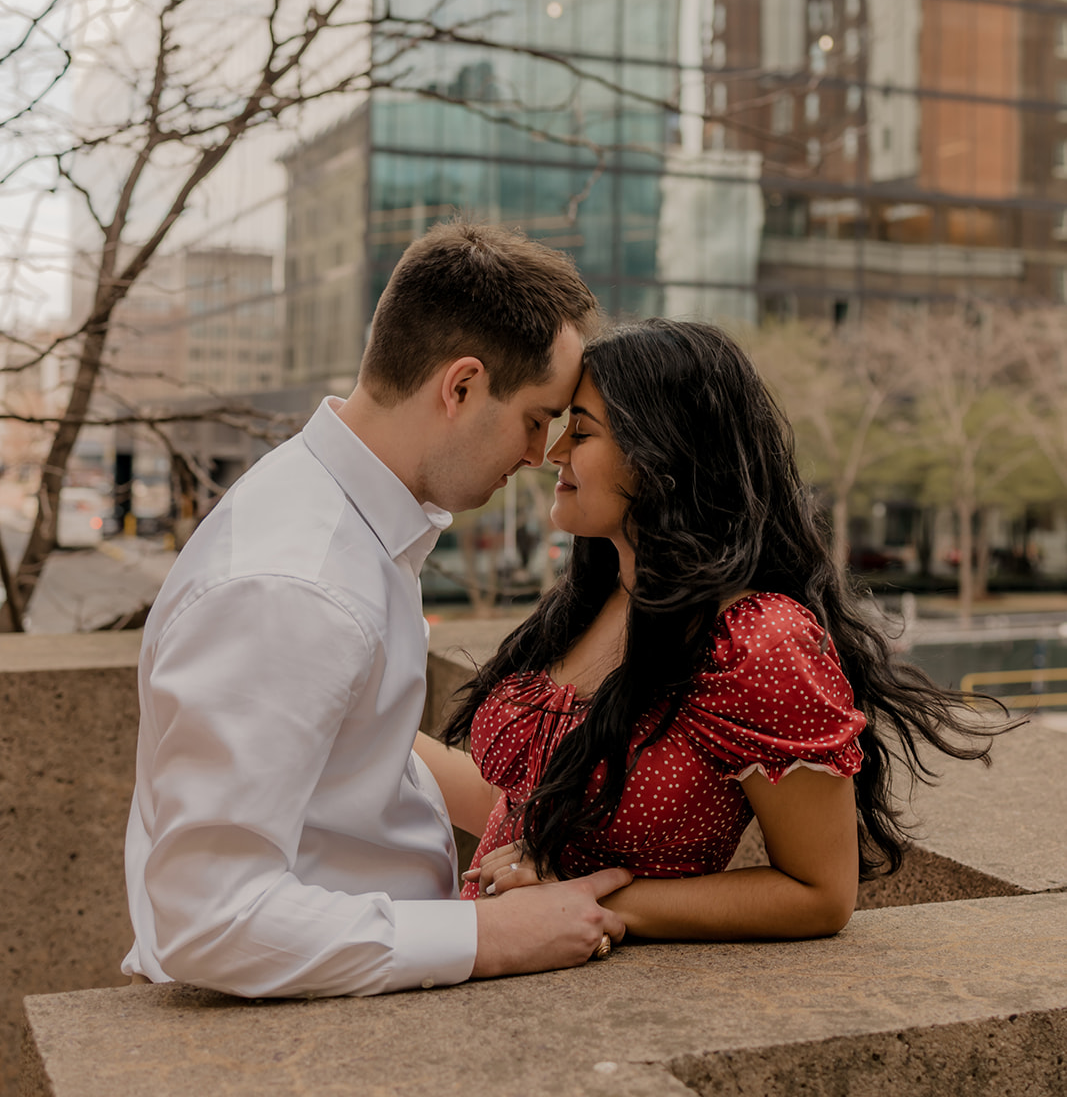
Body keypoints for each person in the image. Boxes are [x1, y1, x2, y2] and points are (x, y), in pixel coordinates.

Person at [122, 221, 631, 999]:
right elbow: (210, 921)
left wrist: (527, 816)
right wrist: (489, 936)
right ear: (459, 387)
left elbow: (346, 753)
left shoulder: (345, 520)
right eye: (536, 418)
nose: (540, 456)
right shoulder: (294, 585)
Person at [421, 318, 1007, 941]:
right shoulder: (595, 600)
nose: (554, 453)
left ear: (660, 457)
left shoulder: (761, 643)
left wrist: (596, 905)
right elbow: (512, 804)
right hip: (478, 955)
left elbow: (820, 893)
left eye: (582, 432)